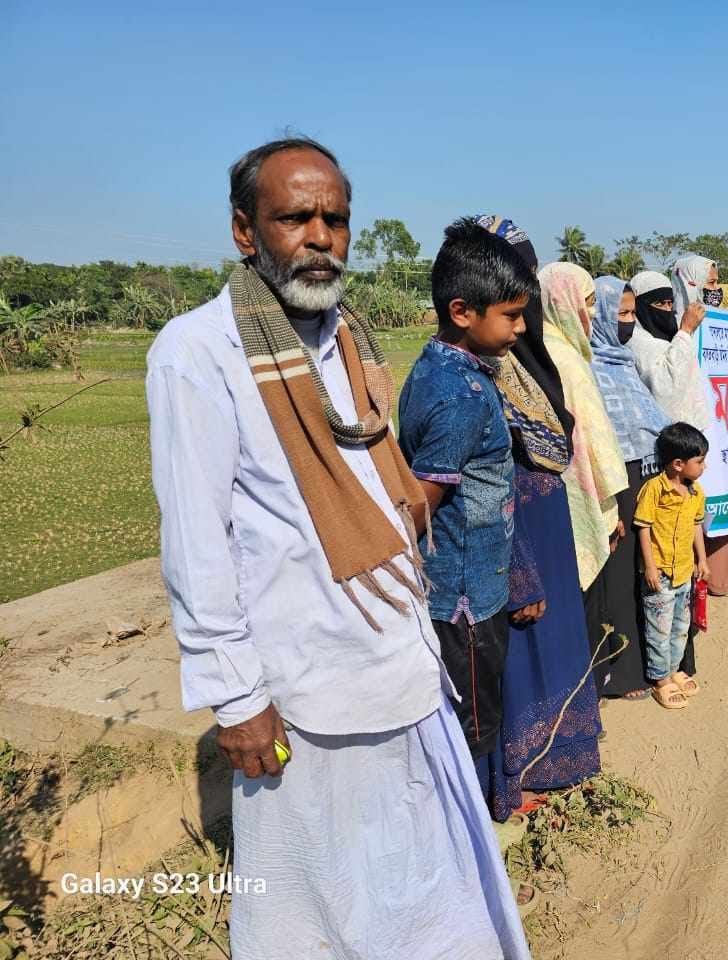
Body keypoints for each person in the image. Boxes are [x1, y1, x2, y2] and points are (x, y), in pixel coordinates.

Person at [146, 139, 528, 960]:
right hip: (303, 687)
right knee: (314, 909)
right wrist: (235, 695)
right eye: (296, 218)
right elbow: (196, 541)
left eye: (335, 219)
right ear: (246, 232)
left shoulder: (347, 341)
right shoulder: (197, 354)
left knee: (424, 883)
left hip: (400, 659)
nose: (320, 236)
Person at [397, 218, 532, 806]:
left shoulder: (438, 370)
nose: (521, 329)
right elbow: (419, 505)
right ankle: (465, 837)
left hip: (464, 585)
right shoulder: (463, 396)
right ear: (462, 311)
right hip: (464, 598)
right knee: (470, 722)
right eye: (510, 316)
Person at [477, 215, 603, 822]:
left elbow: (557, 440)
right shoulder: (474, 369)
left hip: (547, 521)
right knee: (520, 654)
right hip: (513, 533)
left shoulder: (532, 354)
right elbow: (481, 481)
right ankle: (519, 772)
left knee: (557, 642)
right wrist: (518, 567)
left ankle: (563, 759)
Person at [537, 262, 630, 693]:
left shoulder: (543, 348)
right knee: (584, 604)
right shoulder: (567, 359)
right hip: (580, 493)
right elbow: (594, 440)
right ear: (564, 302)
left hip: (564, 497)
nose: (591, 314)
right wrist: (613, 504)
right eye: (587, 303)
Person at [589, 276, 672, 699]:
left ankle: (650, 658)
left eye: (630, 313)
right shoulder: (588, 367)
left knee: (647, 569)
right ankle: (619, 672)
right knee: (618, 578)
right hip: (615, 482)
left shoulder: (621, 360)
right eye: (620, 313)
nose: (628, 320)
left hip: (643, 475)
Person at [671, 254, 728, 596]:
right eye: (707, 284)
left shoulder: (716, 321)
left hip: (720, 424)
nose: (711, 291)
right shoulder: (670, 328)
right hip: (688, 433)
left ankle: (727, 572)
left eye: (716, 283)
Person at [634, 422, 711, 709]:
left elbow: (695, 526)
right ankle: (660, 680)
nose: (704, 467)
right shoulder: (654, 490)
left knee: (680, 626)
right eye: (699, 461)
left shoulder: (696, 492)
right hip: (662, 574)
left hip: (684, 572)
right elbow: (643, 528)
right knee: (659, 629)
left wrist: (701, 559)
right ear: (678, 464)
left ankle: (675, 669)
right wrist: (650, 568)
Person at [627, 268, 709, 429]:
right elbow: (666, 388)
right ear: (640, 306)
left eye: (670, 303)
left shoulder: (675, 334)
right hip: (665, 437)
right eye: (659, 303)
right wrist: (685, 331)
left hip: (693, 434)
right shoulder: (637, 341)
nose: (666, 309)